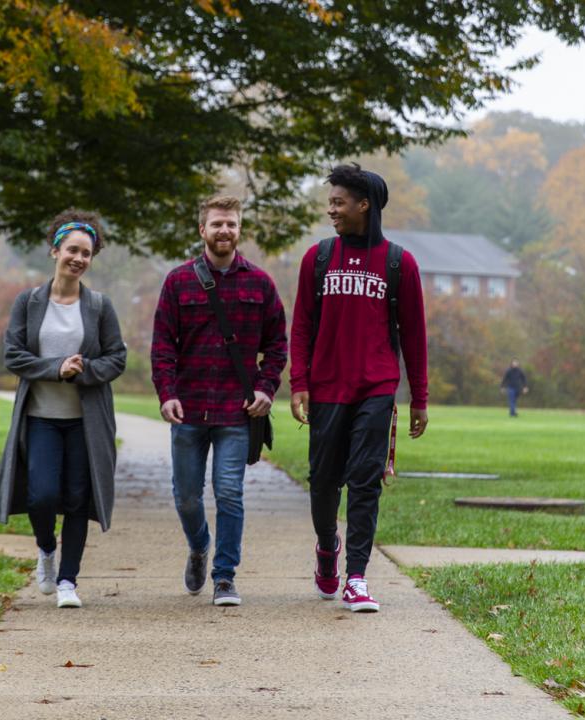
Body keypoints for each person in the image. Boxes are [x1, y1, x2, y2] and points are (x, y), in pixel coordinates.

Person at [289, 163, 429, 613]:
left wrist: (419, 398)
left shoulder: (398, 263)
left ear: (363, 205)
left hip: (376, 386)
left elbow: (414, 335)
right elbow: (302, 325)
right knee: (324, 482)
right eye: (330, 202)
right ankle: (327, 546)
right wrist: (298, 383)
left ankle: (356, 577)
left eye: (338, 202)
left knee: (365, 481)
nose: (331, 209)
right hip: (327, 387)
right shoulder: (319, 257)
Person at [151, 194, 287, 607]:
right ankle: (199, 546)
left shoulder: (260, 284)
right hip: (188, 409)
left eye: (231, 224)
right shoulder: (178, 282)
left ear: (239, 229)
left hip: (236, 411)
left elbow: (277, 346)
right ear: (202, 230)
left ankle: (225, 576)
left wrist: (265, 388)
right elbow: (162, 347)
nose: (224, 231)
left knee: (229, 492)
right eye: (216, 224)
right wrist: (167, 394)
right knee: (187, 497)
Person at [0, 210, 126, 609]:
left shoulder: (99, 306)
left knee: (78, 499)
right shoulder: (29, 302)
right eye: (72, 250)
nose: (79, 258)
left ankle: (68, 580)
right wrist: (56, 369)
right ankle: (46, 549)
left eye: (86, 253)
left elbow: (117, 358)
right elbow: (13, 356)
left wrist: (82, 372)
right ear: (55, 251)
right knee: (42, 496)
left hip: (86, 422)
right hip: (40, 418)